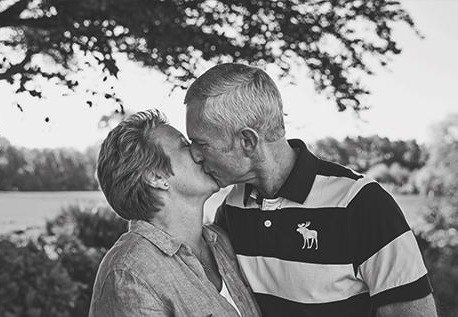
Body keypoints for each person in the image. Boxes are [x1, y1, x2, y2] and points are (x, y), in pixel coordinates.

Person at [184, 63, 436, 316]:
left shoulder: (361, 203)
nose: (194, 154)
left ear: (247, 141)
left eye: (201, 143)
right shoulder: (232, 207)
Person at [89, 109, 261, 317]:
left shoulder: (222, 242)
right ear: (156, 177)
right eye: (185, 146)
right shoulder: (130, 274)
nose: (199, 153)